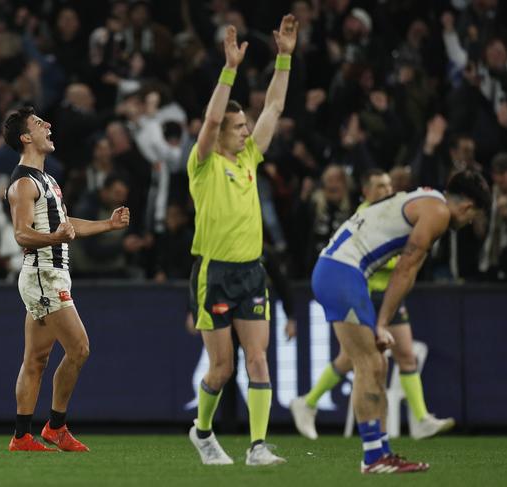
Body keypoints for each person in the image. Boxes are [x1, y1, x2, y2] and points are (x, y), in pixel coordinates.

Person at [303, 169, 490, 473]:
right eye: (473, 217)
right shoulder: (439, 212)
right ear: (467, 206)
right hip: (341, 272)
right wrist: (382, 323)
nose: (469, 223)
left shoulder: (428, 197)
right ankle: (373, 458)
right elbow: (405, 269)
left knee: (378, 363)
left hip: (340, 271)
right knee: (368, 362)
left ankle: (381, 452)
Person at [187, 15, 297, 466]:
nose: (246, 132)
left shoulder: (250, 157)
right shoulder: (204, 163)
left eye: (245, 128)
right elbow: (213, 118)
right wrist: (229, 69)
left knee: (258, 360)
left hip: (252, 271)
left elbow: (272, 108)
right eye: (239, 129)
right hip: (214, 272)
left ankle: (257, 447)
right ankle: (203, 432)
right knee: (222, 368)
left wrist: (285, 58)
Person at [290, 169, 456, 442]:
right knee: (357, 359)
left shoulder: (392, 211)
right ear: (366, 192)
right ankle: (310, 402)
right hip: (363, 290)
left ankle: (420, 419)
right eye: (379, 186)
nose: (386, 190)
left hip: (389, 297)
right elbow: (391, 260)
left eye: (389, 185)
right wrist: (410, 253)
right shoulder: (370, 214)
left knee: (404, 355)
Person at [3, 106, 130, 452]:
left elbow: (65, 223)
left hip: (52, 274)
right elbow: (22, 234)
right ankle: (55, 427)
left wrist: (107, 225)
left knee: (36, 360)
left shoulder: (47, 180)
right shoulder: (23, 184)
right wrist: (56, 238)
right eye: (38, 123)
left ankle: (21, 436)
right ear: (25, 137)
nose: (48, 125)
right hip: (43, 275)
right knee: (79, 348)